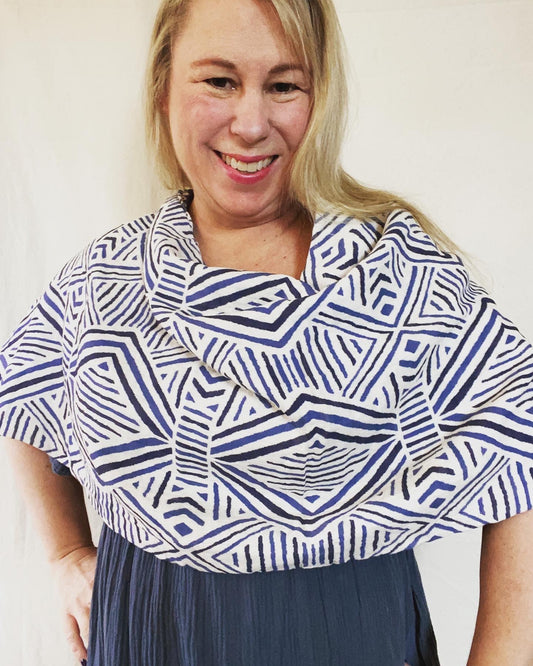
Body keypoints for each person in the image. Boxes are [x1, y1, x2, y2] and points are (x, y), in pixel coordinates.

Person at [1, 0, 533, 664]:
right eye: (219, 80)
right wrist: (63, 552)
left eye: (283, 85)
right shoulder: (108, 279)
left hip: (354, 636)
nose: (250, 123)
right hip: (155, 633)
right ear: (164, 88)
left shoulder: (396, 269)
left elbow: (519, 436)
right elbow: (23, 386)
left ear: (321, 97)